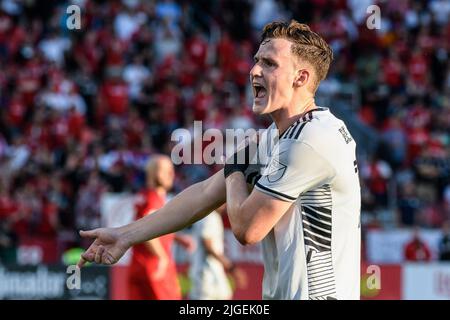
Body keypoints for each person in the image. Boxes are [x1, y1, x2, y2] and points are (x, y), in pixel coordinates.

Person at [78, 20, 361, 300]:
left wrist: (237, 169)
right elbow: (203, 193)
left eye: (270, 64)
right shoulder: (282, 136)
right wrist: (125, 235)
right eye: (256, 61)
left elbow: (248, 228)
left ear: (301, 77)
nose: (254, 71)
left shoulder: (310, 139)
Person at [128, 155, 194, 300]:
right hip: (156, 267)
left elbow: (151, 226)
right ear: (153, 174)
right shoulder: (154, 198)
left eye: (171, 170)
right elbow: (145, 227)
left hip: (138, 265)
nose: (171, 174)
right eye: (165, 171)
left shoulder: (143, 196)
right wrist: (162, 257)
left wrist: (178, 238)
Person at [189, 204, 246, 300]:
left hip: (213, 271)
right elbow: (207, 245)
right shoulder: (209, 217)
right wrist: (231, 267)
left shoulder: (212, 216)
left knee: (224, 294)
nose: (224, 205)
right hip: (205, 273)